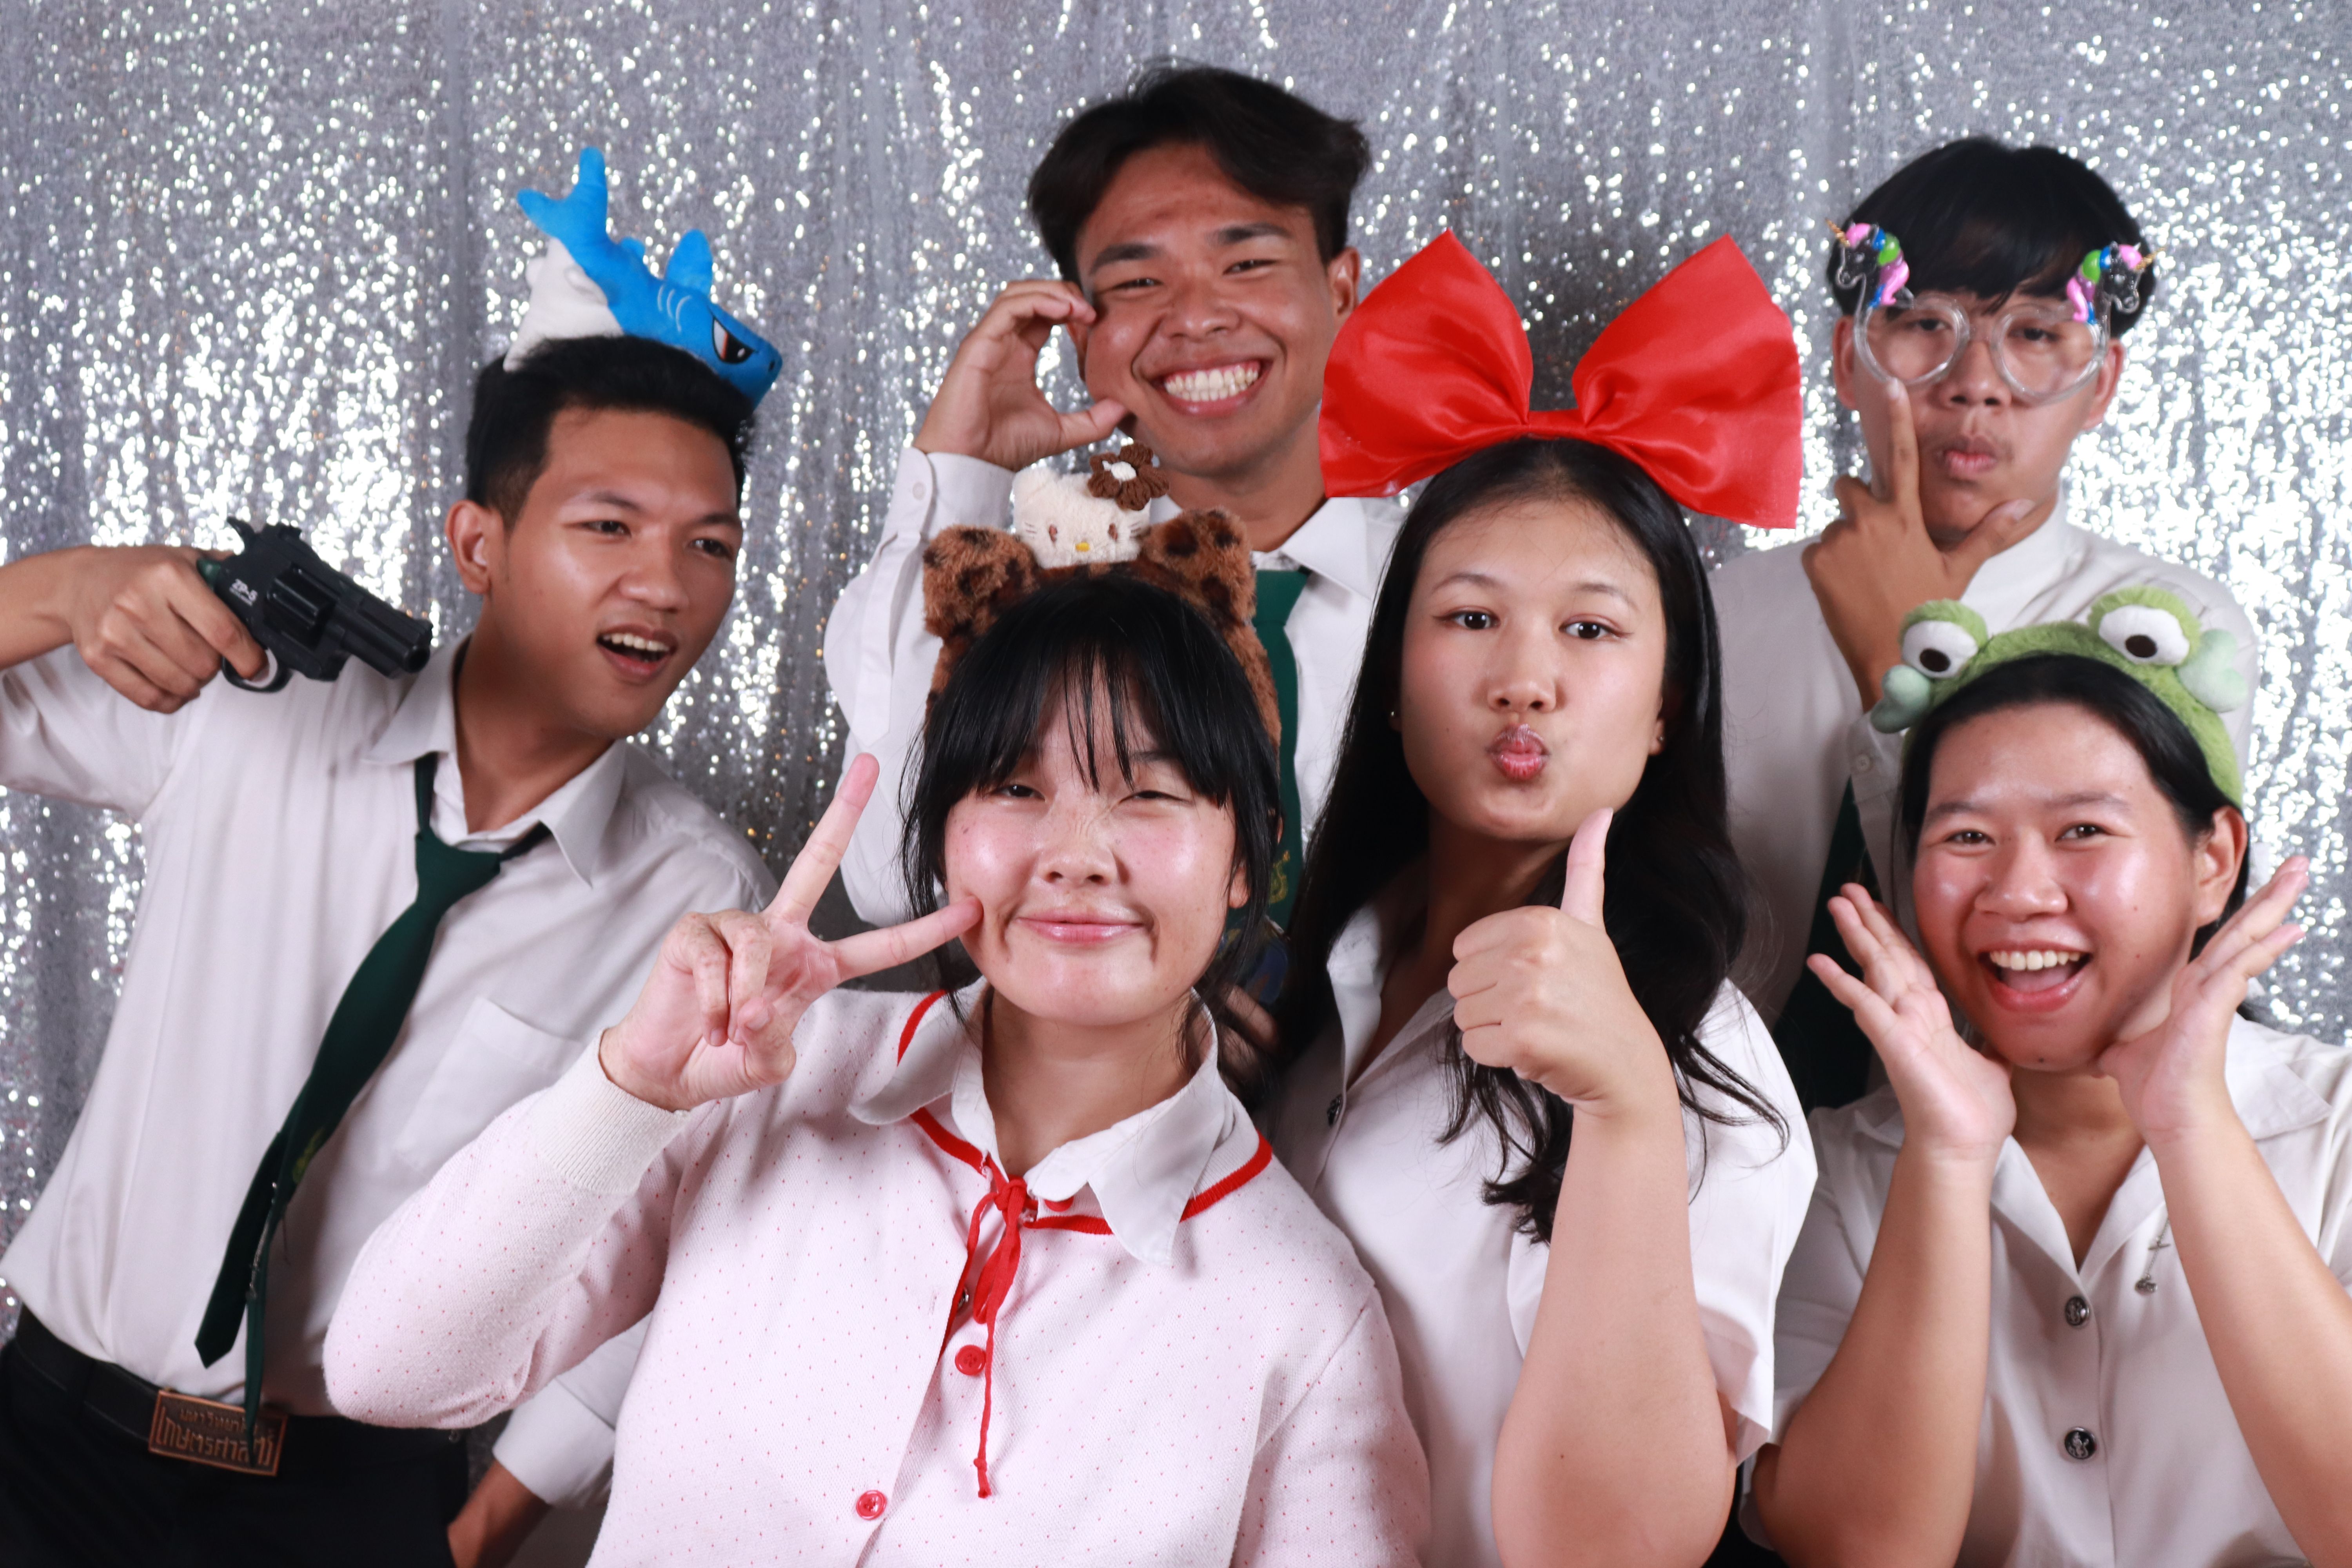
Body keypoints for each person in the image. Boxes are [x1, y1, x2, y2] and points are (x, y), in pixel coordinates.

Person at [0, 149, 780, 1566]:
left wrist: (482, 1527)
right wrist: (65, 587)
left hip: (353, 1509)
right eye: (607, 526)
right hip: (48, 1456)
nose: (664, 587)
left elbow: (683, 1241)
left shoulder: (701, 896)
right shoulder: (251, 703)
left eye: (710, 545)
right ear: (479, 542)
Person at [325, 568, 1430, 1564]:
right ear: (943, 835)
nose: (1078, 855)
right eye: (1017, 788)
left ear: (1247, 859)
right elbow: (391, 1373)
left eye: (1149, 793)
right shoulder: (770, 1079)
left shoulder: (1301, 1309)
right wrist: (634, 1088)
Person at [1265, 231, 1817, 1568]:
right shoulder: (1307, 981)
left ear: (1668, 705)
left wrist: (1626, 1108)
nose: (1526, 679)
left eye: (1591, 628)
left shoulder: (1702, 1058)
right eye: (1471, 619)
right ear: (1391, 683)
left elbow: (1624, 1549)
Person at [1748, 595, 2351, 1567]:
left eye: (2083, 829)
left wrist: (2193, 1127)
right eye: (1966, 838)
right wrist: (1948, 1155)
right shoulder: (1826, 1169)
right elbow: (1859, 1551)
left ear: (2213, 860)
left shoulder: (2338, 1126)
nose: (2020, 892)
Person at [1711, 138, 2261, 1113]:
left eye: (2037, 332)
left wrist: (1898, 659)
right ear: (1847, 358)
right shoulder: (1715, 613)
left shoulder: (2163, 631)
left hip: (2032, 1153)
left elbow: (2125, 976)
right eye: (1924, 322)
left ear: (2102, 382)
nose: (1976, 381)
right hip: (1733, 1138)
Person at [826, 62, 1389, 935]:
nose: (1196, 318)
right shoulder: (1029, 591)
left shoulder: (1463, 582)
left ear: (1342, 289)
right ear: (1077, 329)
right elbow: (892, 882)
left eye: (1246, 263)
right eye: (1137, 283)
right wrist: (961, 473)